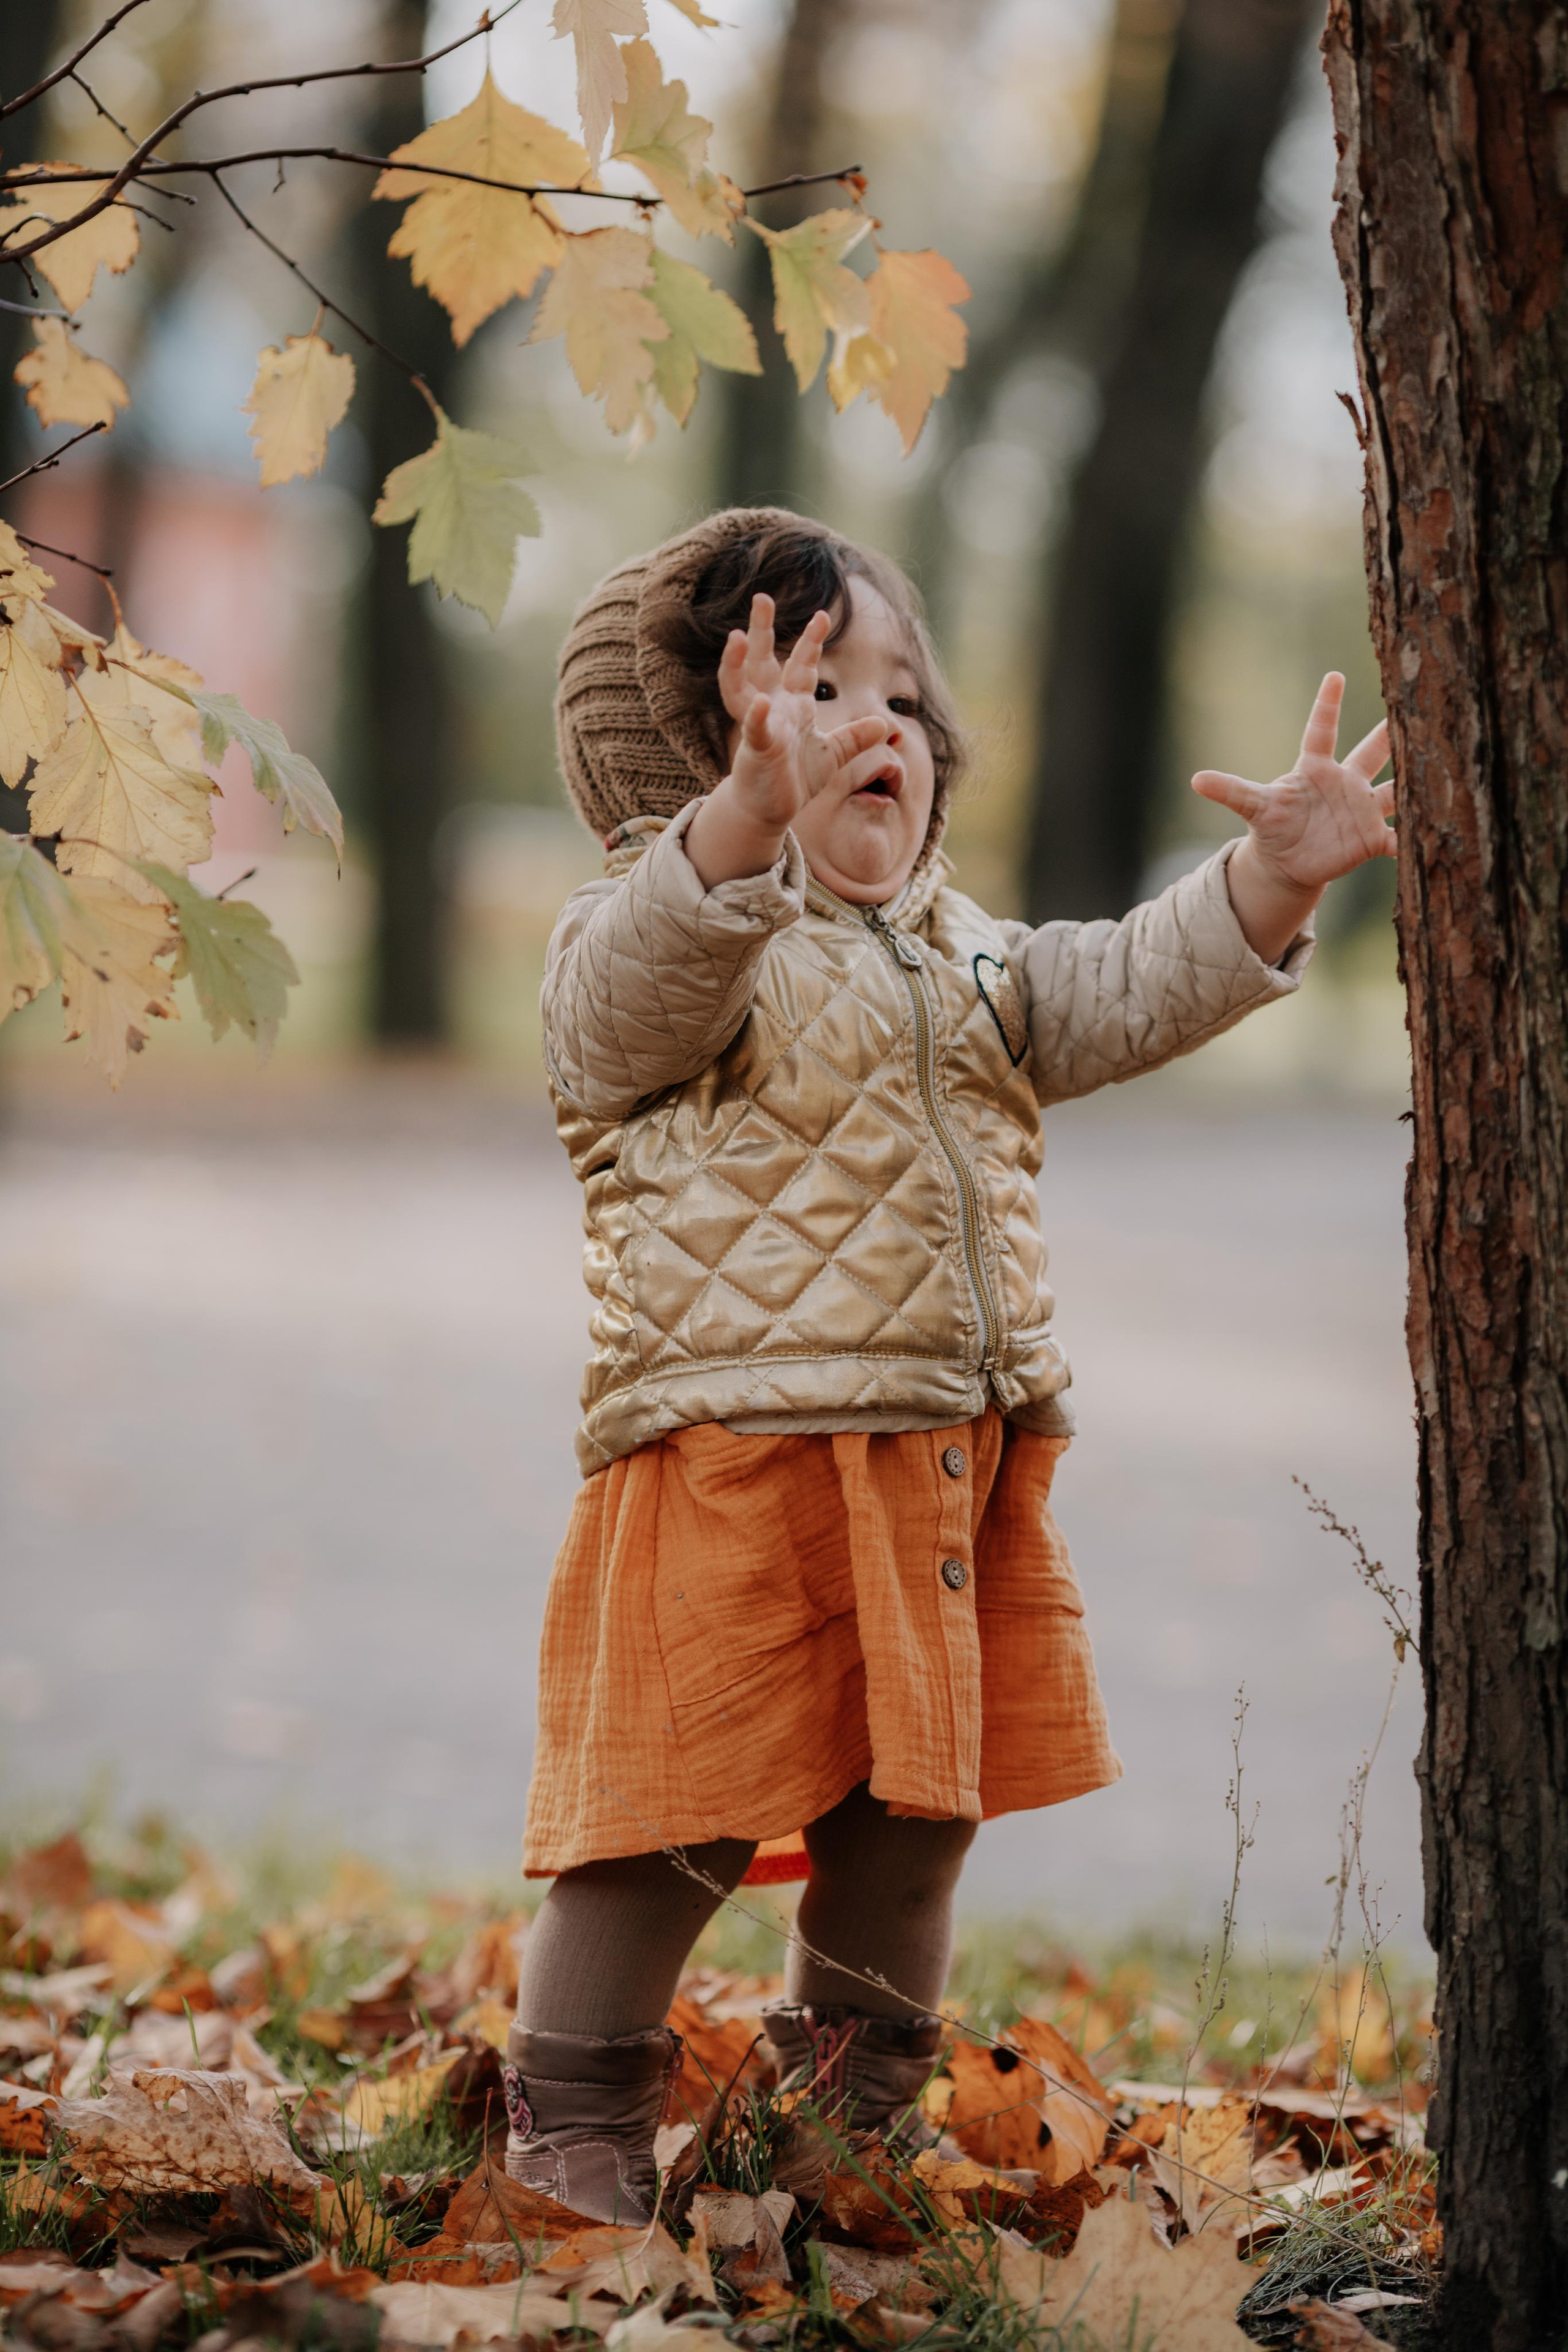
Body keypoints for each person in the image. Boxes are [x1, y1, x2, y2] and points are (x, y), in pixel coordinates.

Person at [504, 507, 1394, 2222]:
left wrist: (1273, 879)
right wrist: (742, 825)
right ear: (702, 736)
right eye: (818, 683)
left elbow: (1122, 983)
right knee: (667, 1828)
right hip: (731, 1469)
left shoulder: (965, 955)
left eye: (902, 690)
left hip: (935, 1462)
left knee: (915, 1828)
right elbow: (627, 1008)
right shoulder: (659, 936)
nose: (876, 724)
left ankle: (833, 2149)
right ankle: (574, 2141)